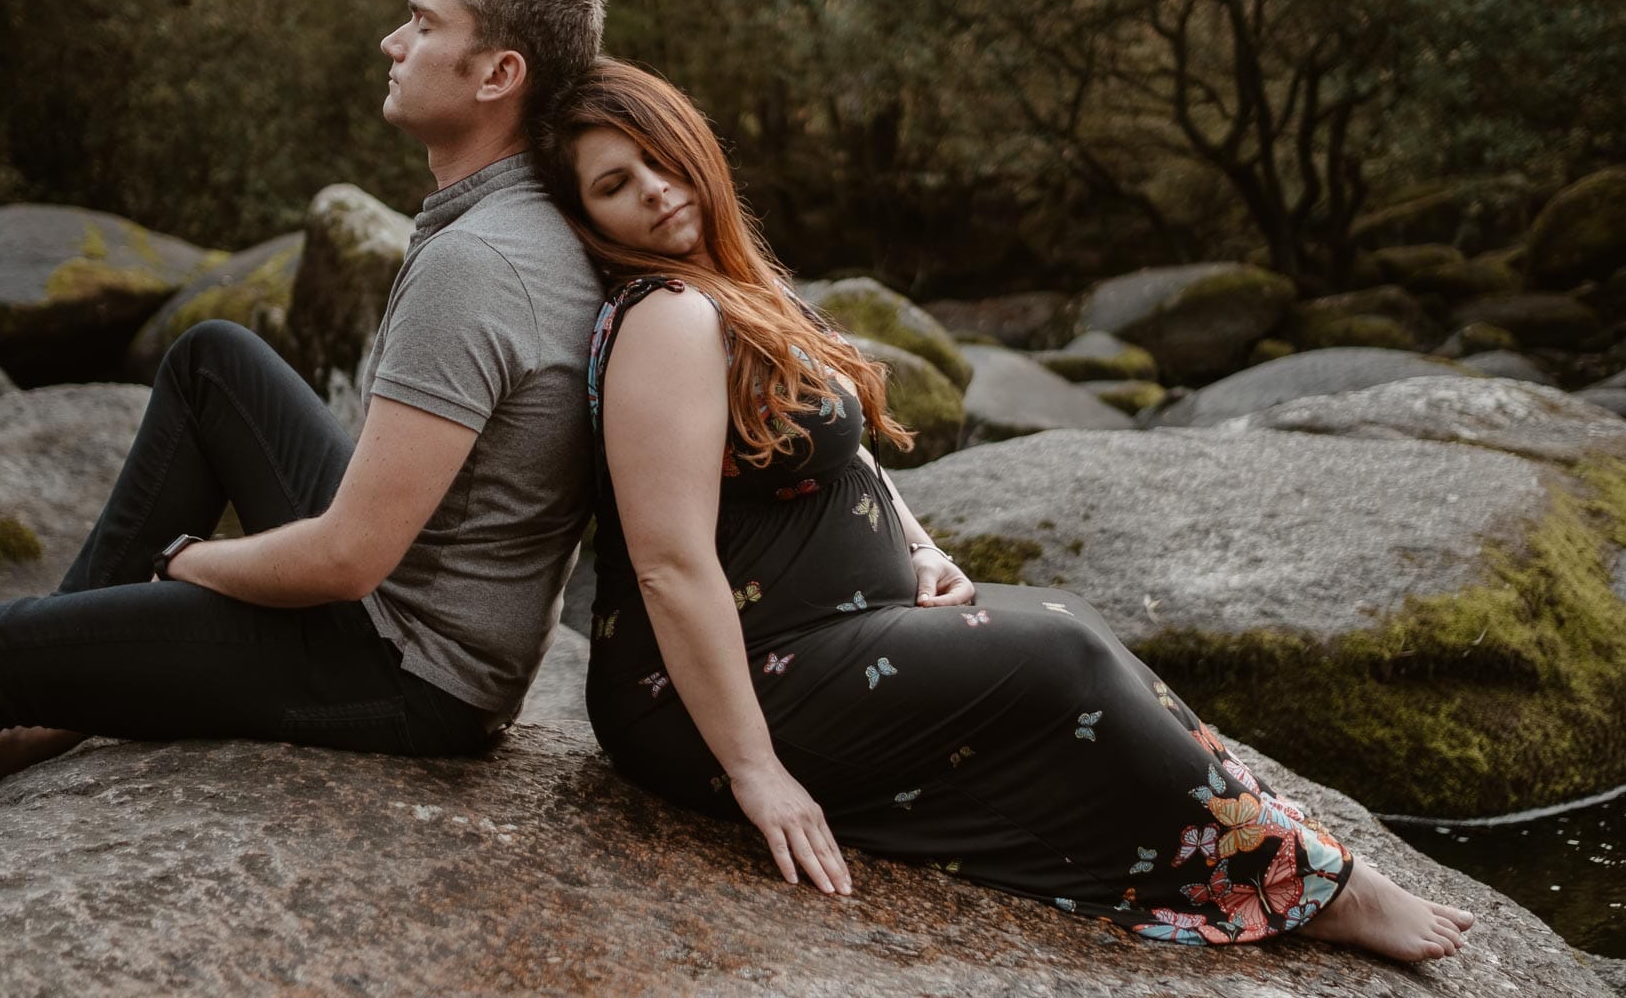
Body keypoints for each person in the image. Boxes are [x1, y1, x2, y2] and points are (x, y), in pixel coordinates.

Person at [533, 58, 1477, 961]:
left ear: (696, 147)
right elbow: (667, 561)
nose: (654, 189)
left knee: (1063, 626)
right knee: (1055, 648)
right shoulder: (666, 316)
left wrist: (917, 544)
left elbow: (844, 450)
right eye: (616, 184)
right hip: (707, 695)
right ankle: (1312, 890)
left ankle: (1283, 851)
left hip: (815, 634)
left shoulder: (733, 285)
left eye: (661, 158)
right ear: (591, 218)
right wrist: (756, 772)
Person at [0, 0, 608, 837]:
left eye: (421, 21)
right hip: (432, 618)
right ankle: (52, 683)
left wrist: (187, 564)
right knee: (213, 358)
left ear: (498, 75)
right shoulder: (520, 216)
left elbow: (348, 562)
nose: (391, 42)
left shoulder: (479, 261)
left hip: (404, 671)